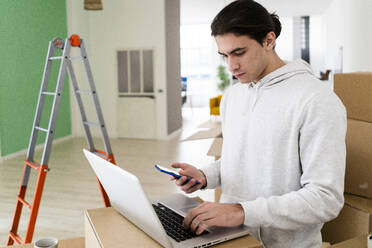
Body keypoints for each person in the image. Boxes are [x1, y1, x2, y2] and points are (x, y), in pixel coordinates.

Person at [170, 0, 347, 247]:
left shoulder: (316, 100)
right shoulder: (233, 96)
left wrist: (241, 211)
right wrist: (204, 176)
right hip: (230, 238)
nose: (231, 66)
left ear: (268, 41)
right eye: (224, 56)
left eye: (239, 53)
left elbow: (325, 199)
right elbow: (241, 159)